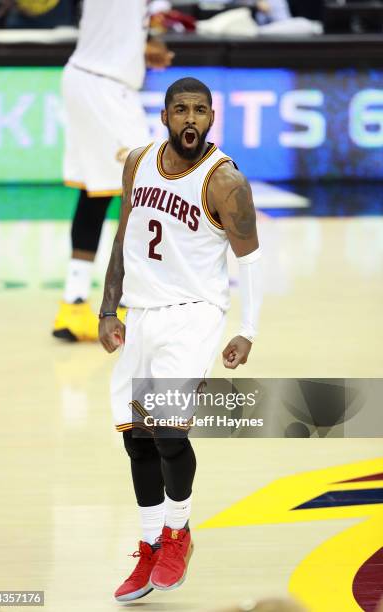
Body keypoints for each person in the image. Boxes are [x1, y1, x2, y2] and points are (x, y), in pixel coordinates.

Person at [99, 77, 263, 601]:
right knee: (136, 440)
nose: (190, 119)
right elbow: (124, 237)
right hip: (142, 315)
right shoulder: (138, 163)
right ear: (165, 115)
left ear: (212, 118)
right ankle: (149, 545)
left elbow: (251, 261)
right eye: (180, 110)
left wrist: (247, 329)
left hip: (194, 316)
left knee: (169, 432)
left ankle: (178, 532)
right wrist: (107, 308)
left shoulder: (225, 181)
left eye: (200, 111)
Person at [52, 0, 173, 342]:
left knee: (100, 195)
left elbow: (151, 23)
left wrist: (146, 47)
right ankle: (119, 307)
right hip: (101, 86)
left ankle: (74, 306)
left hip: (101, 82)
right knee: (140, 191)